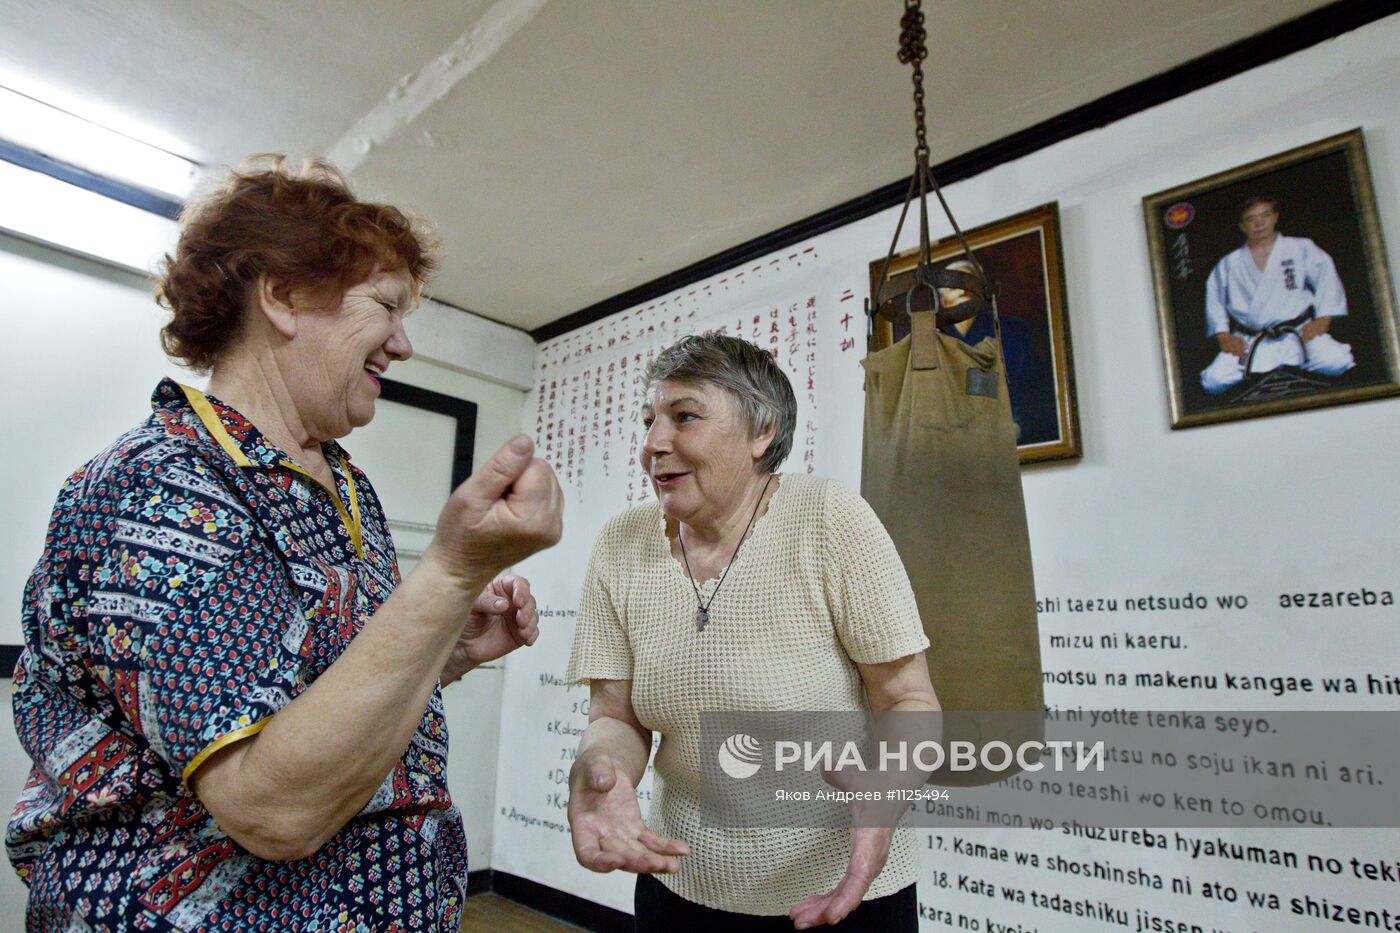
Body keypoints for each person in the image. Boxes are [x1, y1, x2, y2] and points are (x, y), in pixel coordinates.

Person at [6, 157, 563, 931]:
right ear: (284, 295)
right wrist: (449, 574)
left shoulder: (346, 485)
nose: (403, 344)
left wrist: (449, 645)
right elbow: (274, 808)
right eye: (386, 306)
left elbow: (319, 687)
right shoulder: (159, 486)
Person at [564, 333, 938, 930]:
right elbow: (615, 716)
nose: (654, 444)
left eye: (684, 416)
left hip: (845, 888)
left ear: (761, 431)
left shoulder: (829, 520)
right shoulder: (620, 544)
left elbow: (907, 698)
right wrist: (600, 769)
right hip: (681, 884)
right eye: (649, 420)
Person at [1200, 195, 1355, 394]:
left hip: (1297, 331)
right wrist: (1224, 337)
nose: (1259, 223)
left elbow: (1327, 280)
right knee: (1214, 381)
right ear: (1242, 226)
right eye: (1250, 219)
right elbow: (1215, 301)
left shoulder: (1300, 247)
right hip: (1251, 339)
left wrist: (1322, 321)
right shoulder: (1230, 263)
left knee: (1336, 362)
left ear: (1275, 217)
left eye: (1265, 215)